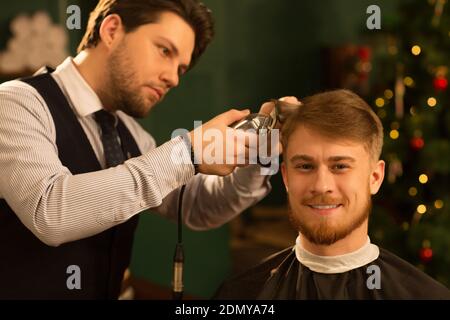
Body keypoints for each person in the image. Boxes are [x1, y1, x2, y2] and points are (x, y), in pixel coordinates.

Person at [0, 0, 295, 299]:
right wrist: (187, 154)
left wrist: (263, 151)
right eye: (164, 50)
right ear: (112, 30)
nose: (174, 78)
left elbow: (197, 205)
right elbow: (49, 212)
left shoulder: (130, 134)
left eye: (181, 67)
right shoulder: (15, 104)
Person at [214, 89, 450, 299]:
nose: (321, 185)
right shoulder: (240, 295)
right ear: (286, 177)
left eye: (340, 166)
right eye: (305, 166)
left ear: (374, 178)